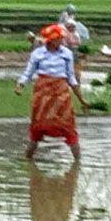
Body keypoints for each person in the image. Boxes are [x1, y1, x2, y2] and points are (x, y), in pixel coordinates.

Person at [15, 24, 82, 162]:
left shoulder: (66, 54)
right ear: (50, 40)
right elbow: (28, 72)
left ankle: (78, 162)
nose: (60, 41)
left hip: (61, 93)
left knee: (67, 126)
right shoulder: (38, 54)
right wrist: (20, 84)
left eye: (60, 39)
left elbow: (71, 77)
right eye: (57, 39)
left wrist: (81, 99)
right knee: (38, 127)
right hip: (42, 93)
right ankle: (27, 159)